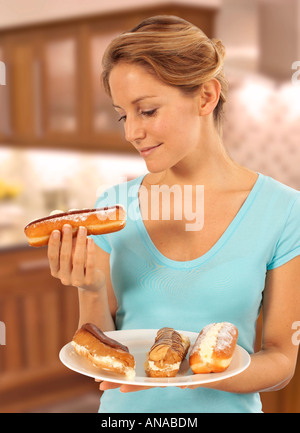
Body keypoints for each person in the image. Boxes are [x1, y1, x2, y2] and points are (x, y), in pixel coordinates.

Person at [47, 16, 300, 413]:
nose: (131, 132)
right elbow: (100, 347)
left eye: (146, 111)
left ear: (205, 97)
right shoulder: (112, 209)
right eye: (122, 115)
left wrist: (189, 374)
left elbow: (282, 360)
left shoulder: (284, 211)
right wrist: (90, 287)